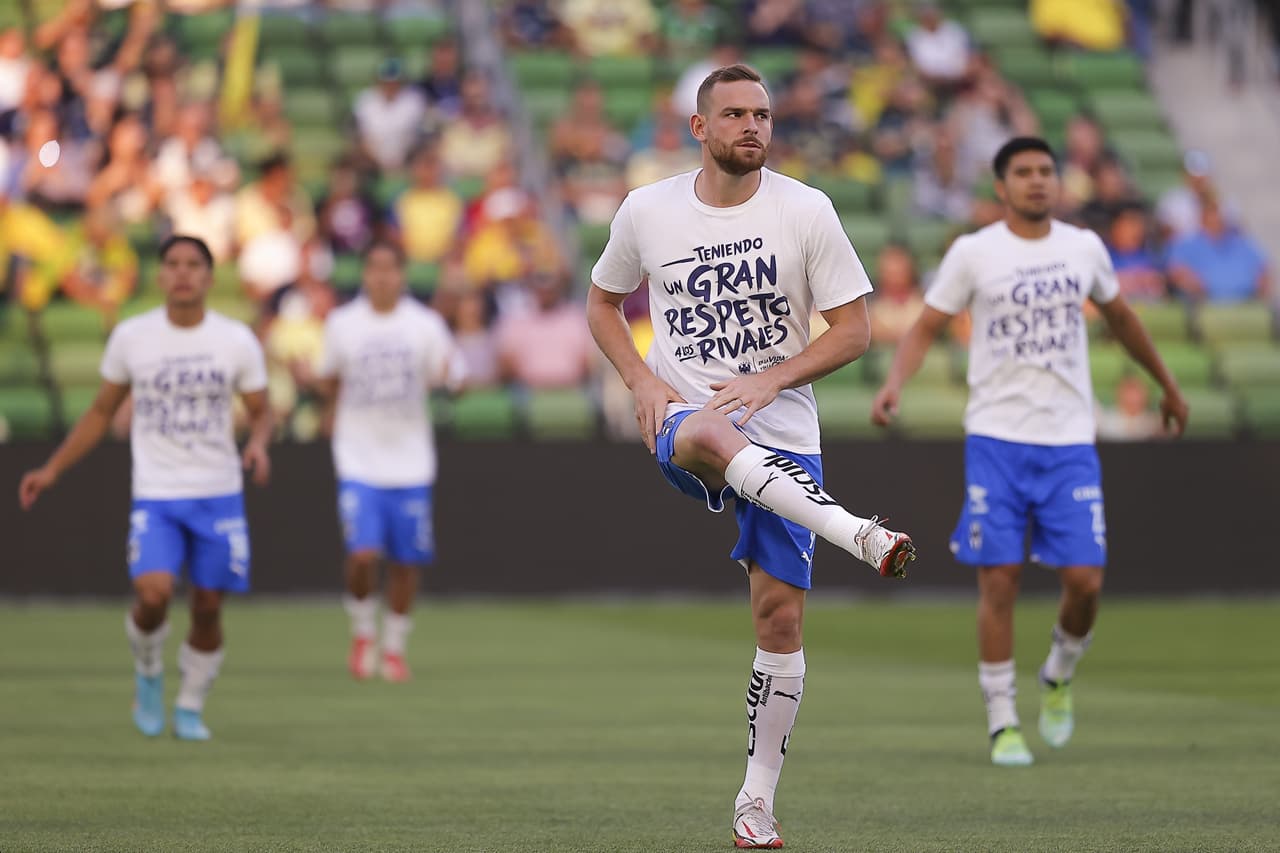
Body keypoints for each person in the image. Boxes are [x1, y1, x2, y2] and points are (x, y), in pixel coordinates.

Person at [587, 64, 915, 850]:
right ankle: (855, 532)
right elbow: (603, 301)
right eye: (733, 114)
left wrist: (772, 378)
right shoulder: (647, 210)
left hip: (784, 434)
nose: (752, 127)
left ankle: (755, 801)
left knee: (779, 619)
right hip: (685, 416)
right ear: (698, 128)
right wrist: (638, 377)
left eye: (763, 114)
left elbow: (854, 330)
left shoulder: (806, 209)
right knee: (701, 429)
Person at [871, 137, 1189, 768]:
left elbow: (1123, 319)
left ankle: (1058, 670)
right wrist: (894, 383)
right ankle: (1002, 721)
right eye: (1024, 172)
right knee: (1000, 579)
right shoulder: (973, 252)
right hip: (996, 436)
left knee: (1085, 581)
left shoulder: (1084, 247)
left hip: (1069, 437)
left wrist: (1168, 384)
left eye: (1046, 170)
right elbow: (929, 326)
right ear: (1001, 186)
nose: (1038, 181)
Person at [18, 235, 273, 741]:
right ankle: (150, 670)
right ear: (159, 276)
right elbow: (100, 412)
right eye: (173, 263)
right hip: (157, 493)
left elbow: (262, 411)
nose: (182, 273)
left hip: (218, 493)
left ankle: (191, 705)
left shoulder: (235, 340)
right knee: (153, 593)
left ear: (207, 276)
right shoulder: (133, 337)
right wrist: (52, 468)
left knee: (207, 606)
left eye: (193, 265)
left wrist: (260, 444)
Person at [316, 241, 464, 683]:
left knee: (405, 561)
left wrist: (452, 381)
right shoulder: (342, 324)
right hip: (358, 457)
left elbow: (452, 374)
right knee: (362, 555)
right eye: (374, 268)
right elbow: (331, 381)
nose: (381, 277)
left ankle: (395, 646)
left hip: (411, 461)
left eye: (390, 269)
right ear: (364, 274)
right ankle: (363, 632)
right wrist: (314, 384)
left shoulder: (425, 325)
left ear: (401, 275)